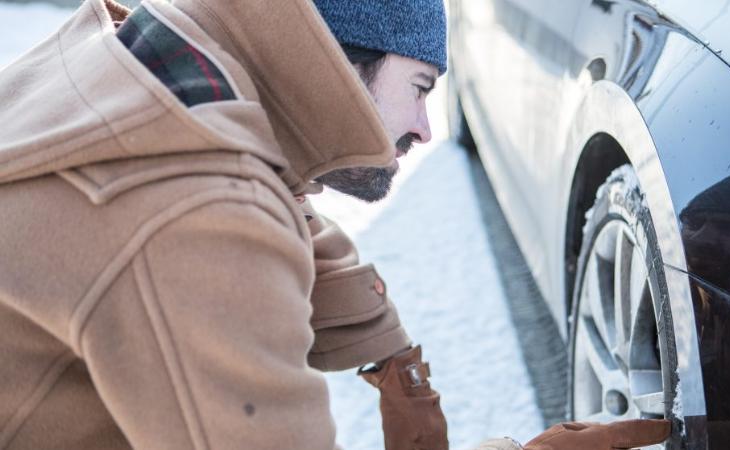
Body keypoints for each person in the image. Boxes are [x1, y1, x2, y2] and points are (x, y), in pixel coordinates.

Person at [0, 0, 670, 448]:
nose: (423, 128)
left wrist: (392, 357)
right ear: (337, 67)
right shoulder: (195, 219)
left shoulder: (147, 72)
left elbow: (272, 189)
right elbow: (216, 214)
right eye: (418, 87)